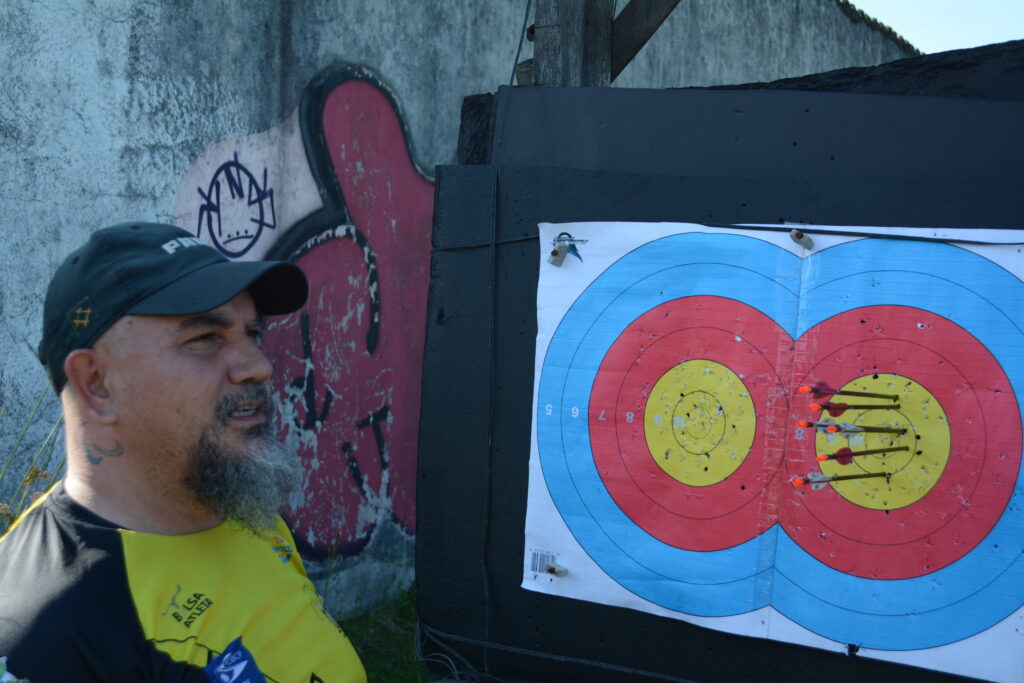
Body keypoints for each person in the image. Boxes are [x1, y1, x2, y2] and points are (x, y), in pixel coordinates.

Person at [0, 222, 366, 682]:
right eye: (205, 339)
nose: (259, 365)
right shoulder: (43, 635)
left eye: (252, 333)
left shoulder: (239, 504)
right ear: (96, 383)